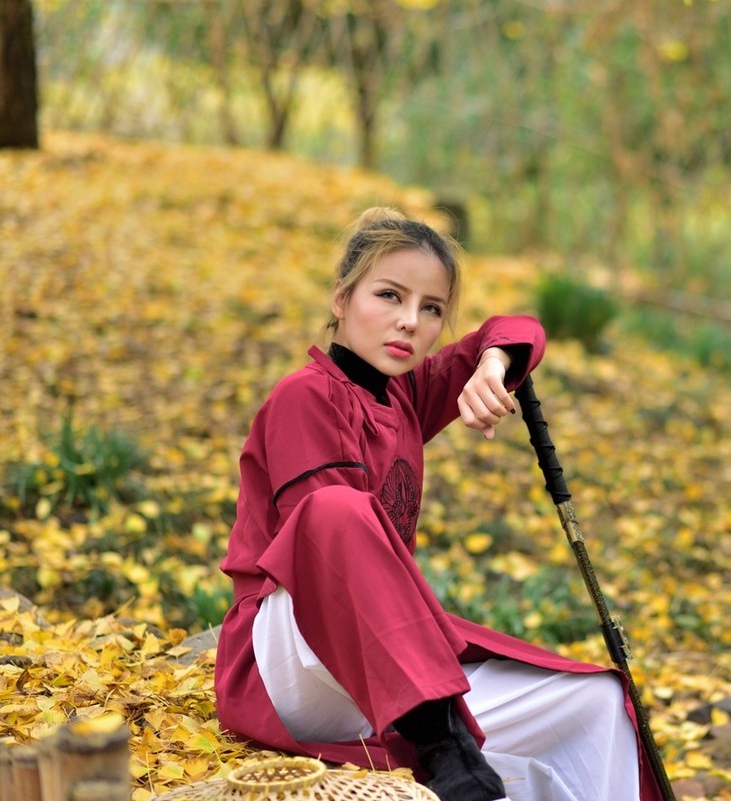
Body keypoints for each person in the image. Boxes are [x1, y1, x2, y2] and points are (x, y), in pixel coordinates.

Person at [214, 208, 664, 801]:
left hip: (387, 670)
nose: (409, 321)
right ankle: (444, 746)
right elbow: (320, 552)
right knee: (335, 511)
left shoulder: (407, 395)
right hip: (292, 661)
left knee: (595, 701)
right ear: (341, 299)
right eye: (389, 295)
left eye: (431, 308)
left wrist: (492, 364)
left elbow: (520, 327)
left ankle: (446, 737)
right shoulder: (305, 395)